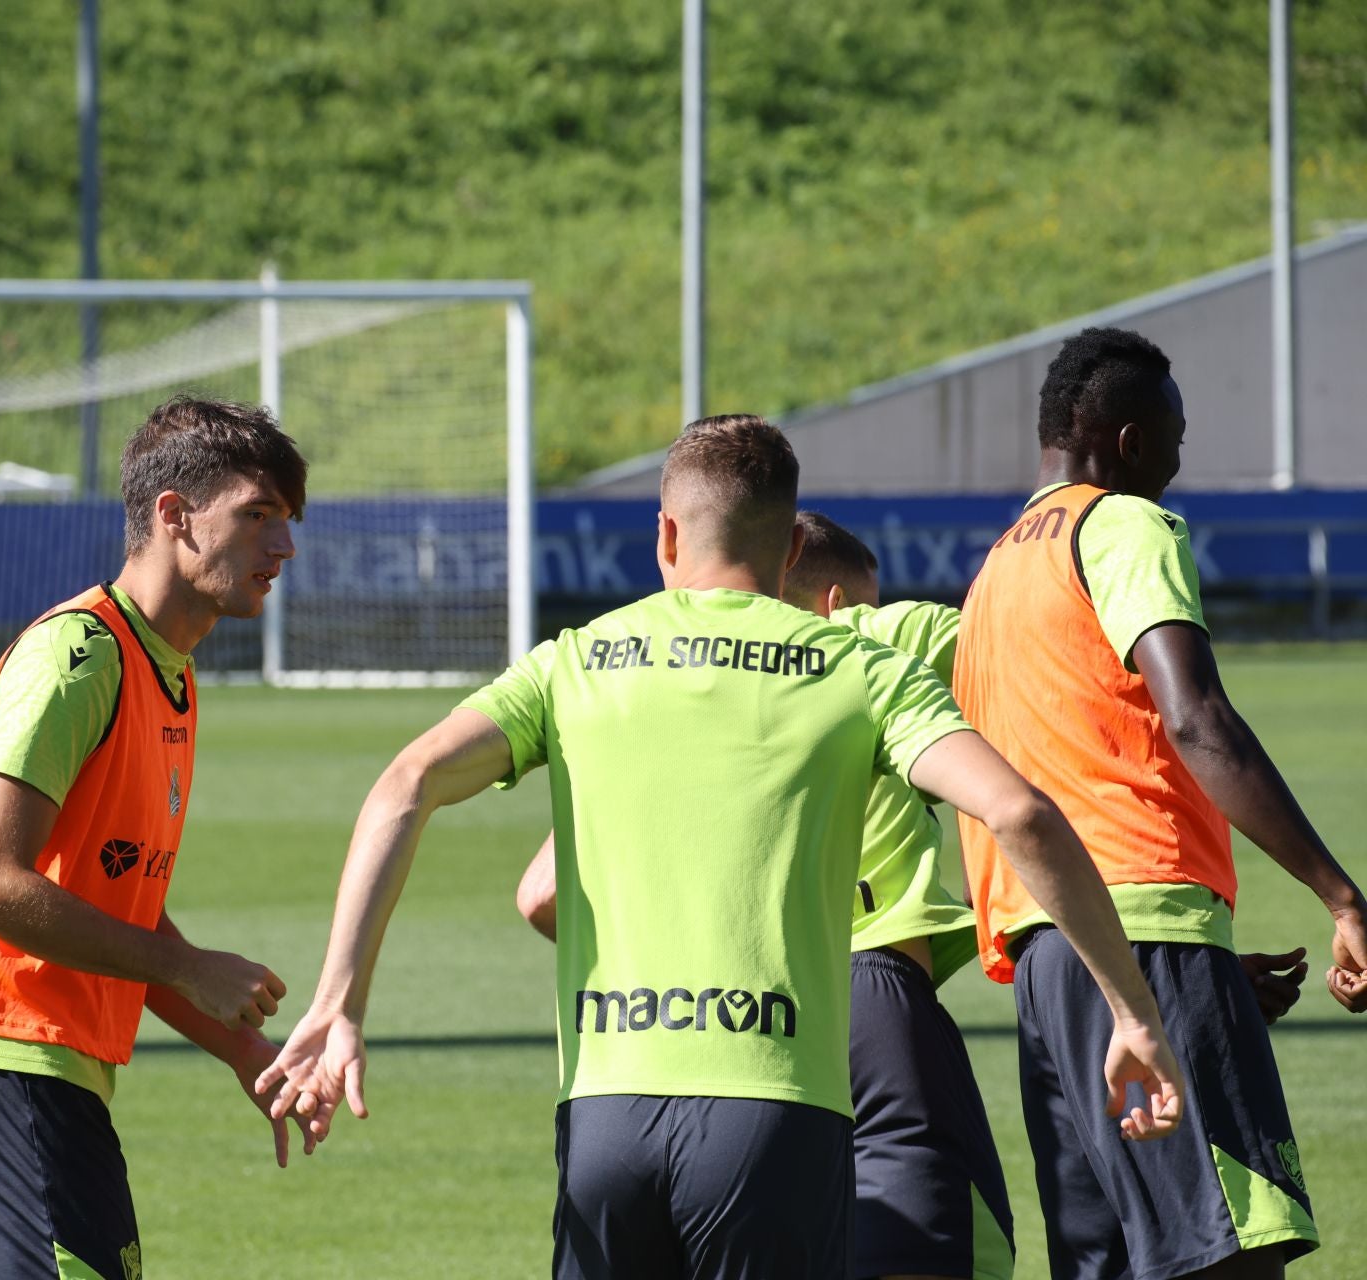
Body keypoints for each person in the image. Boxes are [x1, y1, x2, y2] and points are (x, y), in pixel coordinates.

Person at [261, 415, 1183, 1280]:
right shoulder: (858, 667)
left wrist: (339, 1002)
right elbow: (1021, 815)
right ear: (789, 551)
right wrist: (1132, 1013)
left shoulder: (576, 661)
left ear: (666, 537)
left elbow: (404, 786)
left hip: (604, 1115)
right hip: (776, 1108)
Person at [953, 326, 1367, 1280]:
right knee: (1225, 1258)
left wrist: (1204, 968)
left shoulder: (994, 576)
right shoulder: (1125, 524)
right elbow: (1196, 721)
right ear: (1130, 442)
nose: (1179, 464)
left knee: (1110, 1265)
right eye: (1174, 440)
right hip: (1144, 936)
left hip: (1052, 956)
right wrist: (1340, 896)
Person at [518, 509, 1015, 1280]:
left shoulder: (674, 704)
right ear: (838, 601)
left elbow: (541, 894)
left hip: (709, 1027)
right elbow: (1042, 651)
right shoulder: (878, 640)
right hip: (872, 999)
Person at [0, 395, 313, 1280]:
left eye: (288, 520)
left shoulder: (170, 677)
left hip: (46, 1080)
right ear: (174, 516)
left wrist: (245, 1051)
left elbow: (114, 911)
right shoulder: (79, 657)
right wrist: (190, 968)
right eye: (258, 516)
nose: (284, 548)